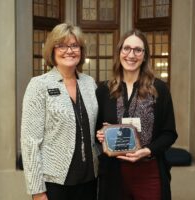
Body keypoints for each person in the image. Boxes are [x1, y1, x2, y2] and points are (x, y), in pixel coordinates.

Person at [96, 29, 178, 200]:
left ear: (144, 55)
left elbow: (169, 133)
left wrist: (147, 151)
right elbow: (97, 130)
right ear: (119, 52)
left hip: (149, 172)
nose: (131, 55)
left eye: (137, 50)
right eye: (126, 48)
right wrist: (100, 134)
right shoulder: (104, 90)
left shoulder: (159, 89)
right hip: (114, 173)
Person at [21, 23, 99, 200]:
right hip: (55, 184)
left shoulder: (89, 83)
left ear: (81, 50)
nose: (69, 50)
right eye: (62, 45)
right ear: (52, 50)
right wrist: (37, 191)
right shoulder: (39, 85)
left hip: (90, 179)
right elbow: (30, 142)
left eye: (74, 45)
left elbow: (95, 127)